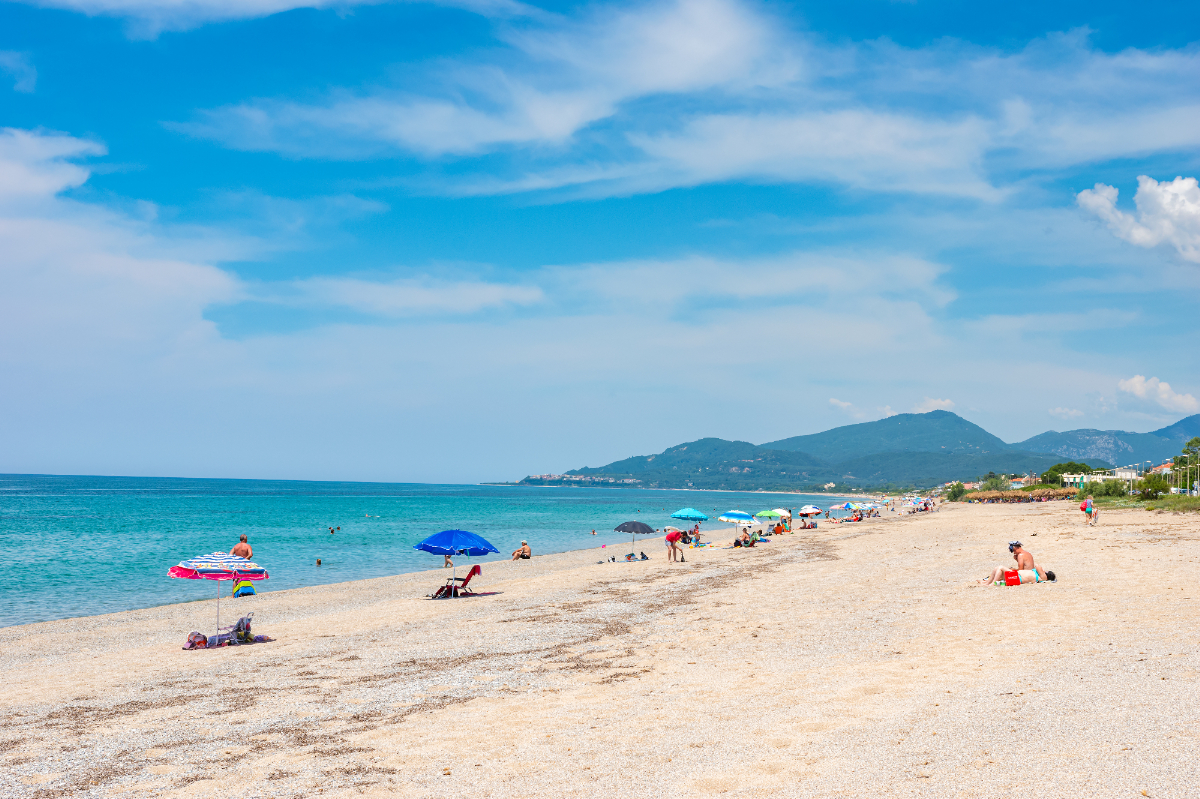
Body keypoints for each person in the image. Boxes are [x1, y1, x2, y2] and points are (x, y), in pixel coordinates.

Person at [978, 541, 1055, 585]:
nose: (1014, 553)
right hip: (1021, 576)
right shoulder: (1028, 554)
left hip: (1018, 577)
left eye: (1013, 551)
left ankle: (990, 584)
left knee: (1000, 568)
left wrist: (1042, 570)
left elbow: (1024, 568)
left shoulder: (1021, 555)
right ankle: (987, 582)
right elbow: (1026, 566)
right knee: (998, 569)